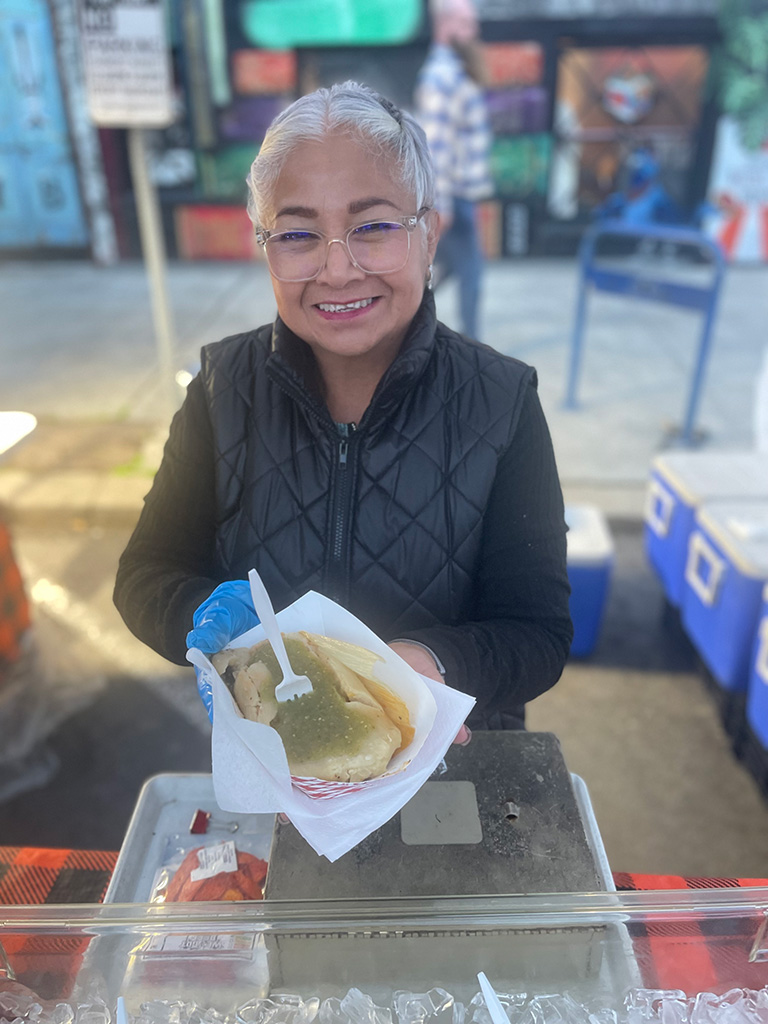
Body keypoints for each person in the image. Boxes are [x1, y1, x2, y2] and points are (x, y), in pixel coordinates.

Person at [113, 81, 572, 733]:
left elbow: (537, 631)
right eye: (298, 234)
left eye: (373, 227)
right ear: (264, 246)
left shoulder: (501, 399)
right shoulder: (222, 389)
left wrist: (440, 664)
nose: (337, 270)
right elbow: (145, 572)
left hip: (452, 752)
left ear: (429, 235)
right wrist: (204, 620)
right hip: (273, 746)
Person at [414, 0, 492, 340]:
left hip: (459, 195)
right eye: (466, 23)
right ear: (445, 25)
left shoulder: (454, 70)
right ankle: (472, 344)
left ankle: (405, 324)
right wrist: (440, 205)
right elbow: (435, 145)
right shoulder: (443, 76)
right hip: (453, 197)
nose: (474, 31)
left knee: (444, 271)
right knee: (469, 273)